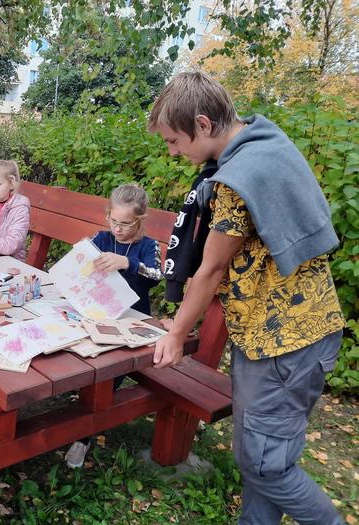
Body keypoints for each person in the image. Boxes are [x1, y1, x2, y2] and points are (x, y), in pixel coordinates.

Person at [148, 71, 344, 525]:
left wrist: (177, 334)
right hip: (294, 334)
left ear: (202, 123)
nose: (173, 152)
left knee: (265, 464)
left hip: (284, 344)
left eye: (174, 140)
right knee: (262, 455)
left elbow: (211, 269)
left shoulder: (238, 179)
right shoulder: (266, 144)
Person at [64, 183, 164, 469]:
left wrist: (127, 262)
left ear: (140, 221)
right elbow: (82, 263)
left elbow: (157, 275)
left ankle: (83, 435)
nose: (117, 229)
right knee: (75, 357)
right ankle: (81, 405)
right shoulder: (103, 238)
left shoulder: (148, 246)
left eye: (125, 224)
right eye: (113, 220)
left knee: (108, 374)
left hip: (132, 322)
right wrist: (81, 256)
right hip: (97, 314)